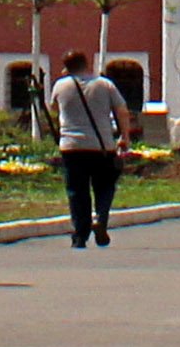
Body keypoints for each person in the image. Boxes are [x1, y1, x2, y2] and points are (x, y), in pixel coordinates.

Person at [46, 48, 129, 250]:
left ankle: (79, 235)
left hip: (71, 147)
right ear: (87, 64)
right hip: (102, 146)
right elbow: (122, 110)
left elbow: (53, 109)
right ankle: (100, 218)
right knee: (105, 186)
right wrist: (124, 136)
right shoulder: (104, 84)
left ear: (66, 67)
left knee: (77, 191)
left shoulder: (61, 85)